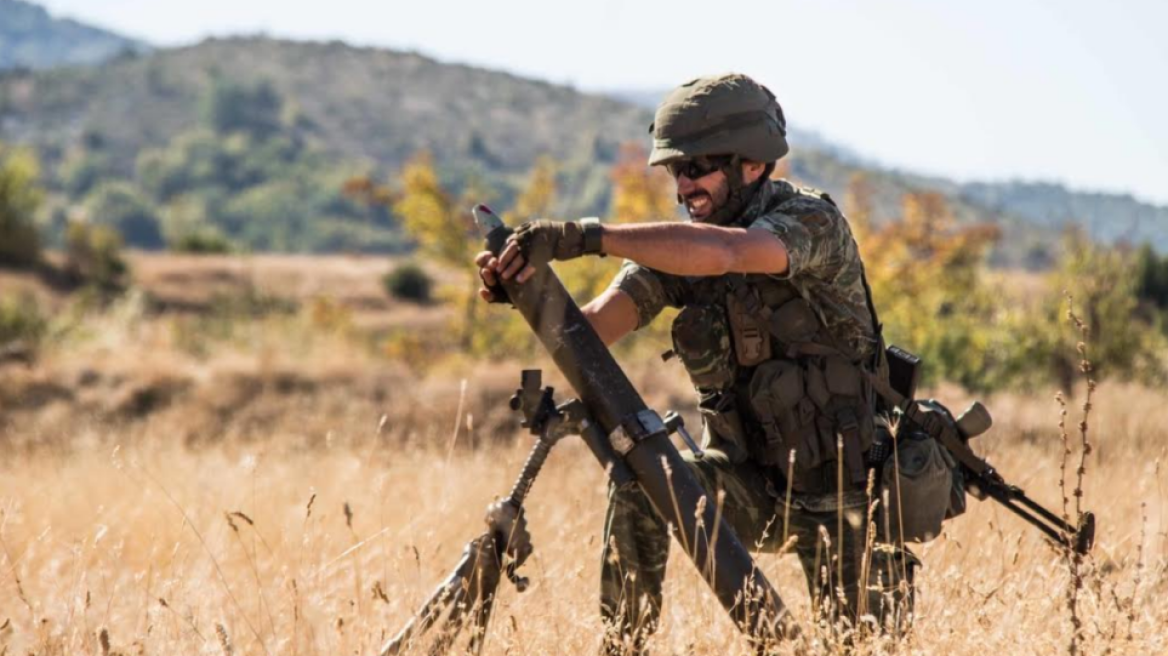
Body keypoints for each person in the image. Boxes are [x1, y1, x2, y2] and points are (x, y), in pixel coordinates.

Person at [475, 73, 915, 652]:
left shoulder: (810, 223)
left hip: (853, 498)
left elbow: (730, 253)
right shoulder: (679, 248)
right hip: (753, 487)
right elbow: (598, 326)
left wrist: (588, 236)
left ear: (752, 164)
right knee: (640, 485)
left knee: (861, 646)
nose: (684, 185)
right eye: (675, 171)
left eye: (699, 166)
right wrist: (530, 293)